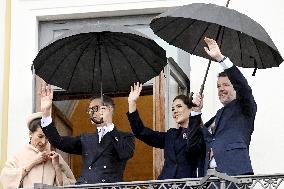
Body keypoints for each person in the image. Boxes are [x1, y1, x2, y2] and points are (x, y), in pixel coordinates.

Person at [39, 83, 135, 184]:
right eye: (89, 110)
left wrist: (108, 125)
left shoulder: (125, 137)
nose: (91, 113)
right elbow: (57, 141)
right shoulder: (85, 139)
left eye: (95, 108)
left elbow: (125, 153)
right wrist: (45, 112)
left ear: (109, 109)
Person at [201, 37, 257, 176]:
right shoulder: (219, 114)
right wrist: (196, 111)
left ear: (235, 88)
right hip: (211, 178)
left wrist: (220, 58)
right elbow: (205, 139)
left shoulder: (244, 106)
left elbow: (243, 86)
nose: (221, 89)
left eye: (226, 85)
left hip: (234, 173)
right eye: (219, 86)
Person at [127, 82, 205, 179]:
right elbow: (142, 132)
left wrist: (196, 112)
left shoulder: (201, 134)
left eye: (179, 106)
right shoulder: (171, 134)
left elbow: (193, 145)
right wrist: (132, 103)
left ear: (190, 109)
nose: (175, 111)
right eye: (172, 109)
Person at [0, 112, 76, 189]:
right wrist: (33, 162)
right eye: (40, 136)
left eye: (47, 137)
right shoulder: (18, 156)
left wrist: (56, 166)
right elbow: (6, 179)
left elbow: (70, 186)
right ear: (30, 134)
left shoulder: (55, 157)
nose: (43, 142)